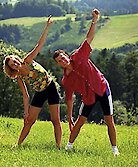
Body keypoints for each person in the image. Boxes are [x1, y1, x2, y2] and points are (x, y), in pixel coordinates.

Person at [53, 9, 120, 155]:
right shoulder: (66, 80)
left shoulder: (79, 55)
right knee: (80, 121)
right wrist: (69, 116)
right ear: (59, 64)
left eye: (63, 57)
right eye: (60, 61)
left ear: (66, 55)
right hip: (88, 97)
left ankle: (115, 150)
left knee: (109, 119)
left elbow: (89, 38)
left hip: (102, 88)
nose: (63, 60)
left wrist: (95, 20)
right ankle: (68, 147)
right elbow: (69, 98)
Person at [3, 16, 62, 149]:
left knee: (55, 120)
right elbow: (25, 95)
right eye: (13, 64)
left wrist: (47, 27)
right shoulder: (19, 77)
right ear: (12, 68)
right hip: (40, 92)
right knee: (29, 121)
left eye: (15, 60)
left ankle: (58, 147)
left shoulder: (28, 60)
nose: (16, 63)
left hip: (50, 87)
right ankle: (18, 145)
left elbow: (39, 45)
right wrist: (26, 112)